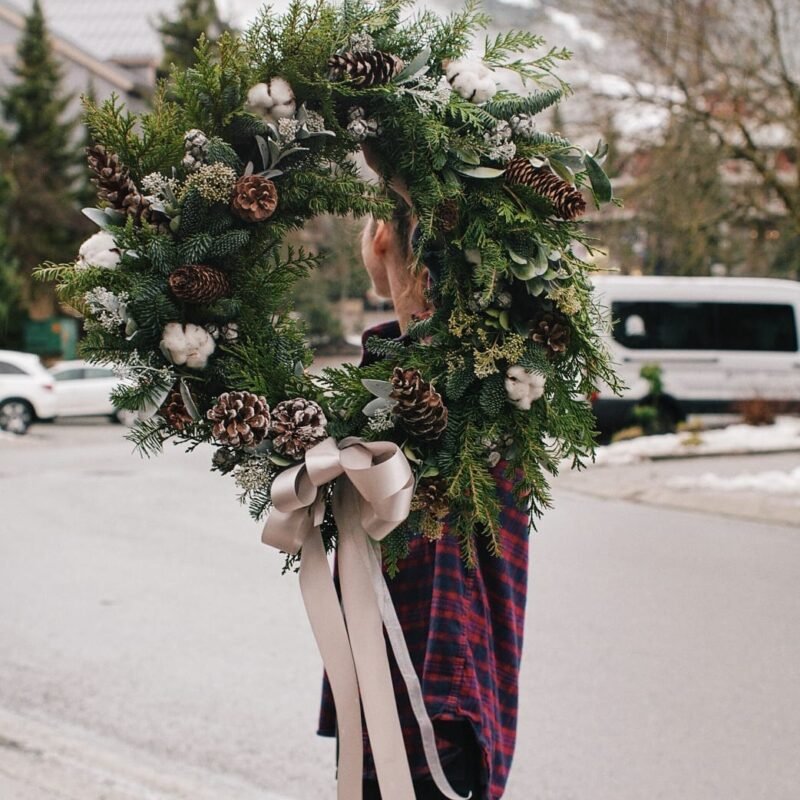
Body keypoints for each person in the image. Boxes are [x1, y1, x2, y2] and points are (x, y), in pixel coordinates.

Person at [317, 194, 531, 800]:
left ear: (382, 235)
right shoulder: (504, 385)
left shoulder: (470, 401)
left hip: (427, 711)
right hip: (405, 700)